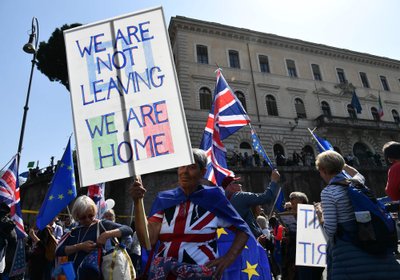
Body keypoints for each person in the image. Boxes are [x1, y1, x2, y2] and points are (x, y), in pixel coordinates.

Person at [128, 148, 251, 279]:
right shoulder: (165, 199)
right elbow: (148, 241)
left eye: (192, 167)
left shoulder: (214, 198)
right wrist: (137, 202)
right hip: (166, 275)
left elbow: (243, 230)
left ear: (202, 172)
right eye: (182, 166)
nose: (185, 172)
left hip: (201, 275)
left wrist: (228, 259)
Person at [314, 150, 400, 279]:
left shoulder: (328, 192)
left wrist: (320, 215)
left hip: (348, 252)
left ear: (323, 169)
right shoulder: (357, 183)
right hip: (371, 240)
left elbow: (330, 231)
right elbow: (358, 174)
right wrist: (344, 165)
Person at [55, 195, 133, 279]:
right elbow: (59, 251)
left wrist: (106, 234)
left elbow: (128, 229)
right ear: (76, 215)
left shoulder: (102, 225)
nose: (88, 219)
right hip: (73, 275)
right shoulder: (73, 229)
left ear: (94, 212)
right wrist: (80, 246)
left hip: (98, 275)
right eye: (83, 217)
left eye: (91, 215)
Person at [222, 169, 280, 239]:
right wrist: (274, 181)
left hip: (235, 238)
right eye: (236, 182)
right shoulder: (240, 196)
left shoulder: (223, 201)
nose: (240, 184)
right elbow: (266, 197)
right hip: (250, 239)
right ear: (229, 186)